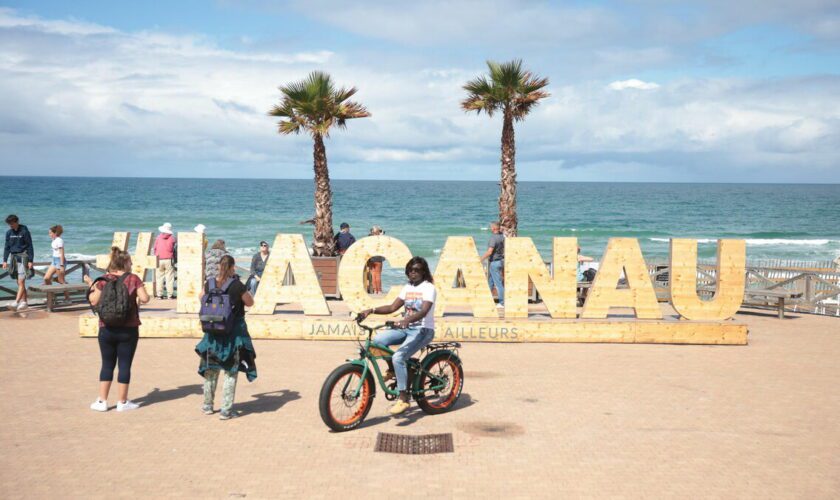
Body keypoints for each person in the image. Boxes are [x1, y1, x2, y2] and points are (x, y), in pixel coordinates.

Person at [357, 256, 436, 416]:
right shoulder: (407, 287)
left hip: (422, 330)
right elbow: (392, 307)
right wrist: (370, 310)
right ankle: (393, 370)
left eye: (417, 270)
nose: (413, 273)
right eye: (411, 270)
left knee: (398, 357)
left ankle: (403, 398)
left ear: (424, 272)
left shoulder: (429, 288)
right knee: (378, 341)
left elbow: (424, 311)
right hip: (405, 328)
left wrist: (407, 320)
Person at [87, 247, 150, 412]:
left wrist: (91, 286)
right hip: (128, 329)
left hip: (106, 328)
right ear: (125, 263)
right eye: (130, 261)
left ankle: (102, 401)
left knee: (107, 364)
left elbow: (93, 301)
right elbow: (145, 298)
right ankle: (122, 402)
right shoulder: (133, 279)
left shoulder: (102, 280)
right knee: (124, 364)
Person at [195, 255, 258, 420]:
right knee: (231, 371)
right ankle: (226, 410)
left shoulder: (209, 283)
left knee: (211, 370)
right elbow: (250, 302)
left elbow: (200, 297)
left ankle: (208, 405)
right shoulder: (237, 285)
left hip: (212, 334)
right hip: (233, 335)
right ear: (232, 267)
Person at [3, 214, 34, 311]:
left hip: (23, 257)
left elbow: (30, 246)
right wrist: (4, 260)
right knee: (19, 282)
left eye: (12, 223)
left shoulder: (24, 231)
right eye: (9, 224)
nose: (10, 225)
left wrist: (30, 260)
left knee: (21, 281)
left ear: (17, 222)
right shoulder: (9, 233)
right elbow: (7, 247)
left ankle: (16, 303)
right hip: (13, 258)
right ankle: (24, 302)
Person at [480, 222, 505, 308]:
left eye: (491, 227)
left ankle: (502, 303)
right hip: (500, 261)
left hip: (494, 263)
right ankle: (486, 300)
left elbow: (490, 251)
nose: (490, 229)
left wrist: (481, 259)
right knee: (490, 282)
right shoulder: (501, 237)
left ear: (494, 228)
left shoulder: (493, 238)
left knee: (498, 284)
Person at [43, 225, 69, 302]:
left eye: (50, 233)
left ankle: (67, 299)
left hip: (59, 261)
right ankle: (52, 297)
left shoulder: (59, 240)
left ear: (55, 233)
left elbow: (61, 253)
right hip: (54, 260)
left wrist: (61, 265)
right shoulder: (54, 240)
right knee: (46, 278)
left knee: (61, 281)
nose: (49, 234)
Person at [153, 222, 177, 299]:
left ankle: (159, 295)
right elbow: (174, 248)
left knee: (159, 277)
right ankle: (170, 295)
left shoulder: (158, 237)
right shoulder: (172, 238)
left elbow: (155, 248)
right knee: (169, 278)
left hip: (159, 259)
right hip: (169, 259)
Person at [367, 226, 385, 294]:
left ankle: (375, 290)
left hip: (371, 258)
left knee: (373, 274)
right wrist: (381, 234)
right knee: (378, 275)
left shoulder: (369, 238)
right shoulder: (380, 239)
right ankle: (379, 290)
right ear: (378, 232)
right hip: (378, 258)